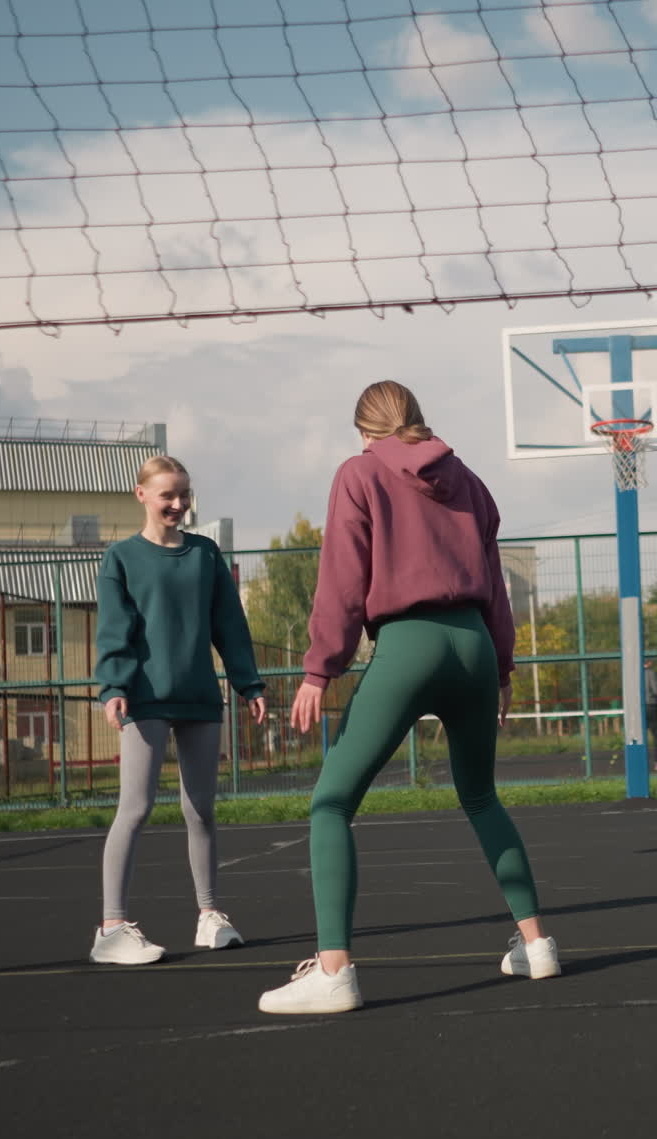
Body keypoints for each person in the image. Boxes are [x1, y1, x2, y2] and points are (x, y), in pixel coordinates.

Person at [259, 380, 560, 1014]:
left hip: (409, 644)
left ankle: (334, 970)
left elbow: (343, 574)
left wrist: (321, 668)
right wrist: (503, 668)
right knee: (480, 795)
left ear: (364, 432)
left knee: (332, 802)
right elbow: (498, 589)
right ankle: (537, 945)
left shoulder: (359, 473)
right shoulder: (470, 481)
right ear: (419, 421)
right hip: (475, 644)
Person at [90, 453, 266, 965]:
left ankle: (210, 916)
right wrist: (114, 686)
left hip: (199, 700)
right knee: (136, 807)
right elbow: (114, 630)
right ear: (141, 494)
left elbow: (229, 626)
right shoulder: (121, 558)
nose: (178, 504)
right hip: (143, 700)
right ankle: (111, 926)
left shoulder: (206, 556)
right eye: (167, 494)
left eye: (184, 494)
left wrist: (248, 685)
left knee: (201, 810)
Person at [644, 659, 657, 769]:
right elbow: (655, 690)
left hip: (638, 708)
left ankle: (641, 763)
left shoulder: (634, 673)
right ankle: (656, 763)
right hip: (651, 706)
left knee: (639, 737)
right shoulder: (650, 673)